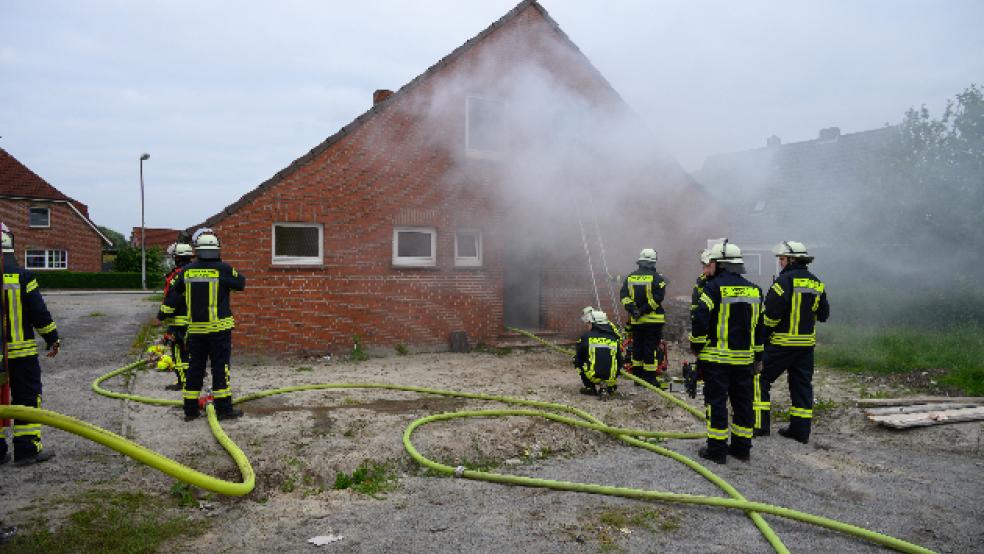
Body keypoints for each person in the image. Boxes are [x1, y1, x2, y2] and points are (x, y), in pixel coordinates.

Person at [689, 240, 763, 464]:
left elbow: (700, 318)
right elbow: (761, 328)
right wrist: (758, 358)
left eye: (710, 263)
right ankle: (742, 449)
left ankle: (717, 450)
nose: (707, 267)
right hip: (744, 361)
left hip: (717, 360)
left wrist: (697, 346)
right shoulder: (755, 290)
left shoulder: (712, 288)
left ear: (720, 264)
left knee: (717, 404)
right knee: (743, 404)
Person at [162, 229, 246, 421]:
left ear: (197, 251)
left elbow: (177, 290)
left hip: (196, 331)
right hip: (219, 330)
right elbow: (241, 283)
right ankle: (224, 410)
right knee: (220, 368)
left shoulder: (187, 271)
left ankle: (190, 411)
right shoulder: (224, 269)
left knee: (195, 369)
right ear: (217, 250)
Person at [754, 241, 830, 443]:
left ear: (791, 260)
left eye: (782, 259)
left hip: (781, 344)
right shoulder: (816, 283)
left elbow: (770, 316)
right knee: (801, 386)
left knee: (760, 379)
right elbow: (824, 314)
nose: (780, 263)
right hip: (806, 346)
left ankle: (759, 426)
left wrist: (760, 339)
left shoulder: (783, 282)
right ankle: (800, 431)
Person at [0, 224, 60, 465]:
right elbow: (39, 313)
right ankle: (27, 449)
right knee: (26, 398)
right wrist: (53, 338)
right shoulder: (22, 277)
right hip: (21, 353)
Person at [619, 248, 667, 389]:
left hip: (636, 321)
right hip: (653, 321)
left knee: (637, 348)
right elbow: (658, 298)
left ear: (640, 261)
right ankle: (650, 379)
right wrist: (642, 310)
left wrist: (633, 310)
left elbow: (624, 296)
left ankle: (637, 377)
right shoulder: (657, 278)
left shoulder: (630, 277)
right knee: (650, 348)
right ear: (653, 263)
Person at [157, 243, 194, 391]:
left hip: (181, 321)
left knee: (179, 352)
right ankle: (195, 376)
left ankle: (183, 382)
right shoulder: (196, 271)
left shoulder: (177, 275)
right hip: (198, 319)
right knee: (192, 351)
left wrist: (160, 316)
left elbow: (171, 299)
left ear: (177, 257)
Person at [573, 309, 622, 400]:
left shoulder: (586, 337)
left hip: (593, 376)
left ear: (594, 324)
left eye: (589, 323)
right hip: (611, 378)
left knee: (576, 359)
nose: (588, 326)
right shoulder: (613, 338)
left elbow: (579, 357)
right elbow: (620, 361)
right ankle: (609, 387)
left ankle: (590, 387)